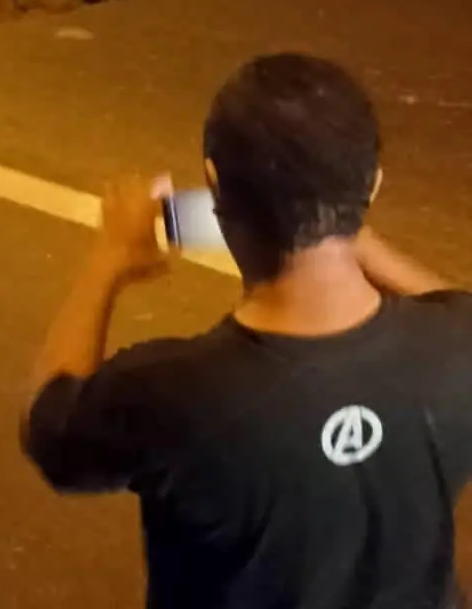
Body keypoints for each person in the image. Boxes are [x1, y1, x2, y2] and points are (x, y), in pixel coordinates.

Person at [23, 53, 472, 609]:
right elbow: (449, 303)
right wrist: (342, 229)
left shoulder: (170, 391)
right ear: (373, 185)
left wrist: (108, 260)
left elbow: (52, 429)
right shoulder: (455, 349)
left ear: (215, 187)